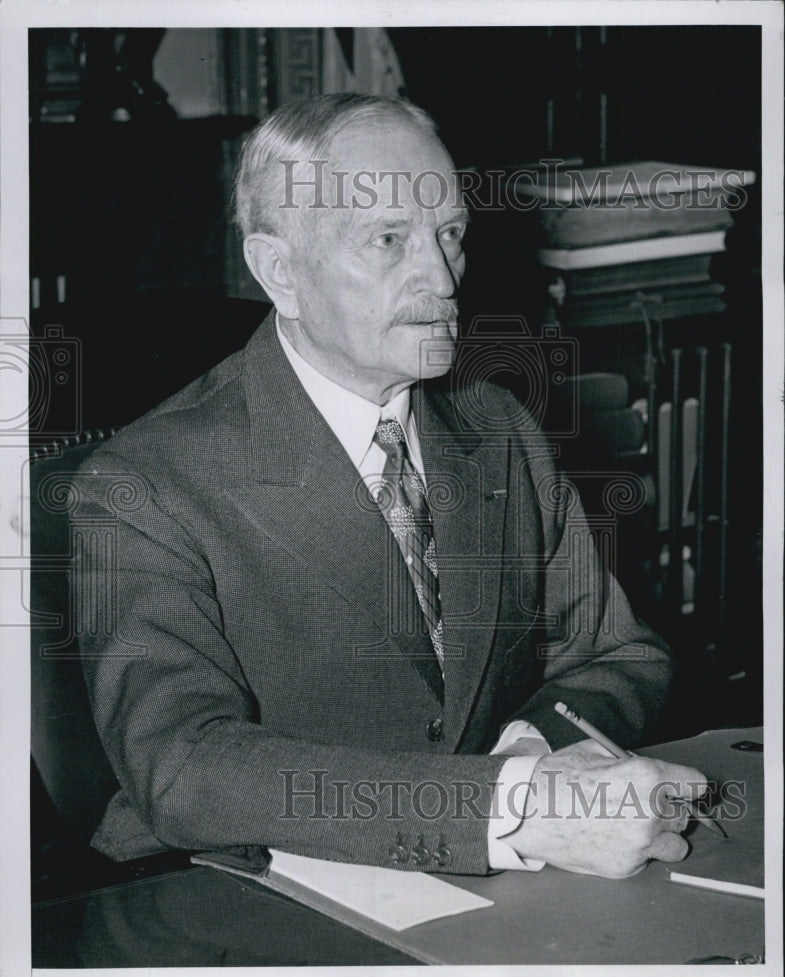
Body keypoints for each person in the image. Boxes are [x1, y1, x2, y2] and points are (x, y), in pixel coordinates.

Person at [77, 93, 707, 879]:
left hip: (483, 891)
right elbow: (180, 768)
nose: (442, 279)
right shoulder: (143, 484)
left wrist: (531, 753)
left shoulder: (497, 430)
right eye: (388, 240)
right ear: (280, 272)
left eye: (449, 235)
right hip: (227, 891)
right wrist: (505, 807)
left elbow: (618, 653)